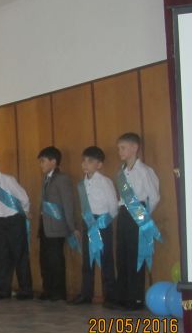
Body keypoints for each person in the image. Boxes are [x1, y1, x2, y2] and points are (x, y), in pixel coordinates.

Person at [109, 133, 161, 311]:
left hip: (138, 214)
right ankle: (122, 296)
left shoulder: (145, 171)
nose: (120, 151)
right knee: (122, 256)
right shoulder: (121, 172)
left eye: (123, 148)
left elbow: (154, 197)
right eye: (119, 148)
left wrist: (142, 215)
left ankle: (136, 298)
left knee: (135, 256)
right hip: (123, 214)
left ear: (134, 148)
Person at [69, 146, 118, 306]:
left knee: (106, 259)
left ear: (99, 164)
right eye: (83, 161)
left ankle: (110, 296)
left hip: (102, 223)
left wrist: (103, 222)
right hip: (88, 222)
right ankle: (86, 294)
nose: (85, 164)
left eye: (90, 161)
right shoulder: (82, 183)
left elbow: (113, 206)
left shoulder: (105, 181)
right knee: (87, 259)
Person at [0, 154, 33, 300]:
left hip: (15, 220)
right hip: (1, 221)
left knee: (20, 255)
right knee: (2, 256)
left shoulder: (8, 180)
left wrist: (24, 212)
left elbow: (24, 197)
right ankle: (4, 290)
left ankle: (26, 290)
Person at [37, 146, 79, 302]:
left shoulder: (62, 178)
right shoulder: (46, 178)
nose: (41, 164)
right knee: (45, 260)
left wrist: (72, 226)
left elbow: (68, 203)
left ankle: (58, 292)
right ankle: (47, 289)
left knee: (56, 260)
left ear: (53, 161)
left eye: (43, 161)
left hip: (56, 227)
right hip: (45, 226)